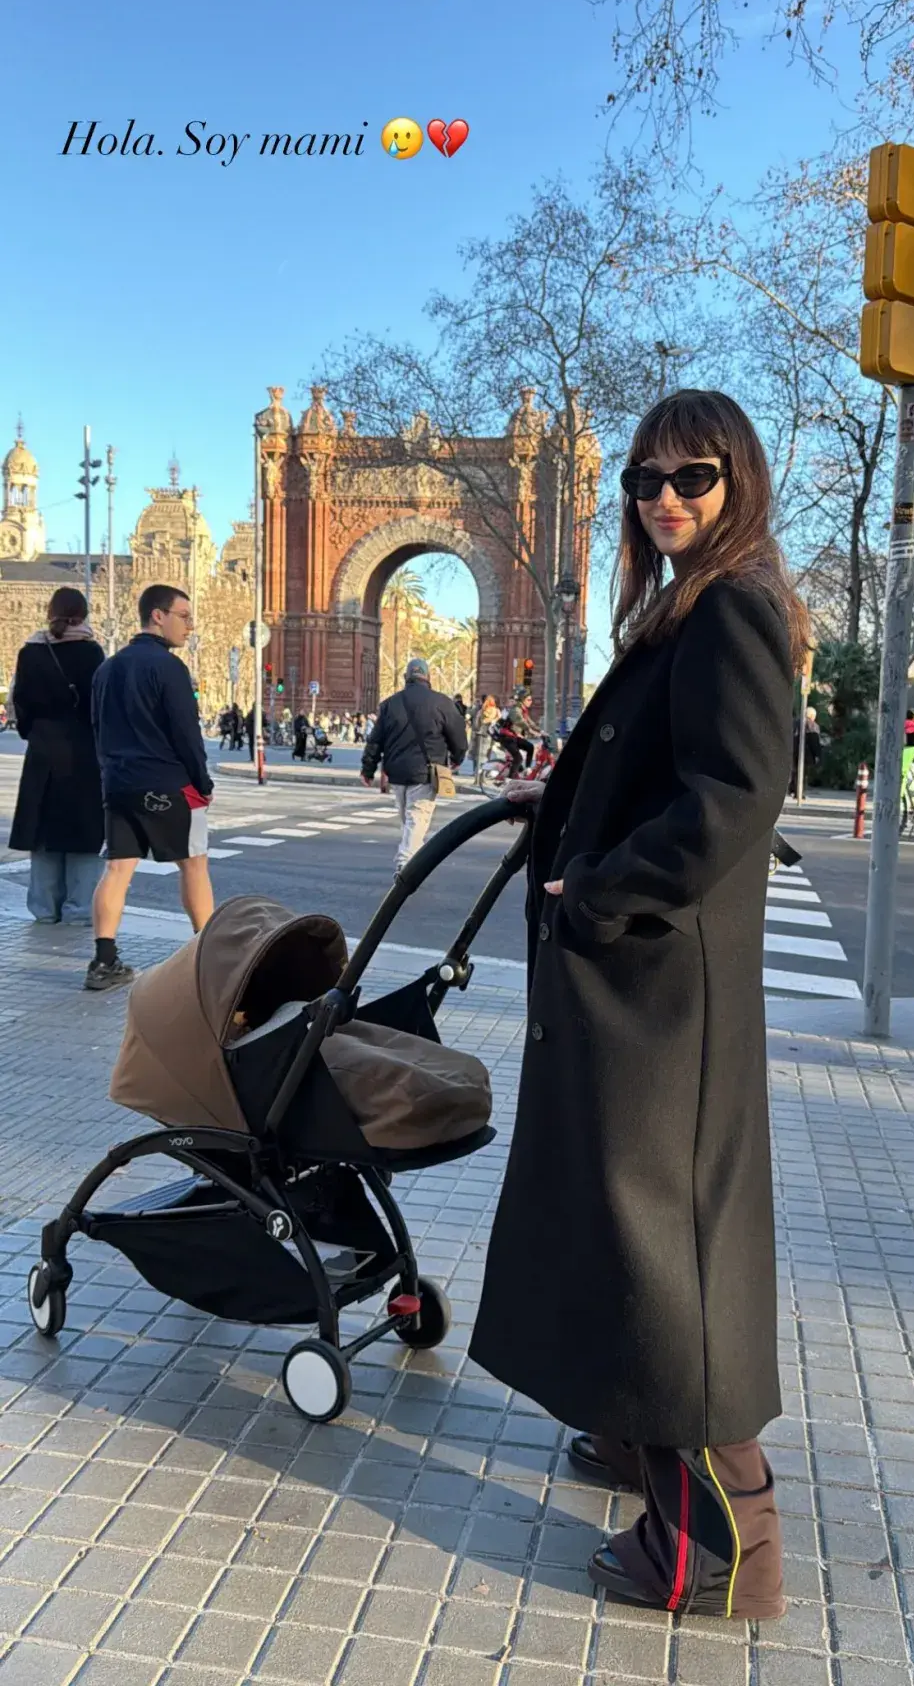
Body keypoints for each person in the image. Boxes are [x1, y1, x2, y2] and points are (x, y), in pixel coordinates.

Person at [470, 388, 809, 1621]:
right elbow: (664, 766)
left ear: (739, 482)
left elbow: (733, 799)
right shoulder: (688, 602)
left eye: (694, 476)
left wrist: (600, 887)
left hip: (665, 992)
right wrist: (563, 807)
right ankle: (632, 1434)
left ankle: (719, 1550)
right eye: (646, 480)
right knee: (626, 1226)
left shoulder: (732, 608)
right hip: (645, 984)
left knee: (672, 1254)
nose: (666, 497)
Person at [87, 584, 214, 992]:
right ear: (157, 616)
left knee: (117, 869)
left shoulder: (107, 668)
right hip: (169, 783)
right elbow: (186, 732)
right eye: (184, 616)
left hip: (119, 784)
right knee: (194, 864)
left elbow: (96, 729)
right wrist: (202, 781)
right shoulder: (169, 668)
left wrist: (109, 775)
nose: (190, 626)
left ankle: (103, 961)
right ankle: (205, 960)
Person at [8, 588, 106, 925]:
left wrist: (37, 733)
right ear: (84, 614)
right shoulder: (91, 652)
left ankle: (44, 910)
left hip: (43, 753)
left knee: (43, 834)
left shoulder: (31, 651)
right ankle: (80, 910)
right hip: (83, 753)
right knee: (83, 834)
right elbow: (100, 706)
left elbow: (20, 705)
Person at [360, 657, 468, 873]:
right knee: (416, 817)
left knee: (409, 818)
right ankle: (405, 863)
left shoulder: (389, 704)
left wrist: (368, 769)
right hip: (427, 771)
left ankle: (412, 855)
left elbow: (375, 740)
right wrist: (457, 758)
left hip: (397, 772)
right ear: (427, 677)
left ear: (406, 677)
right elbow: (459, 736)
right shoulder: (443, 703)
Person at [495, 688, 538, 778]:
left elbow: (530, 722)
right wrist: (530, 730)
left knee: (530, 746)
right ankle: (510, 779)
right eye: (529, 700)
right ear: (523, 700)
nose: (531, 701)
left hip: (513, 736)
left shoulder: (524, 710)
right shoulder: (516, 710)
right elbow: (520, 721)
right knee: (518, 758)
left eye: (531, 699)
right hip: (506, 737)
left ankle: (528, 769)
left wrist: (541, 731)